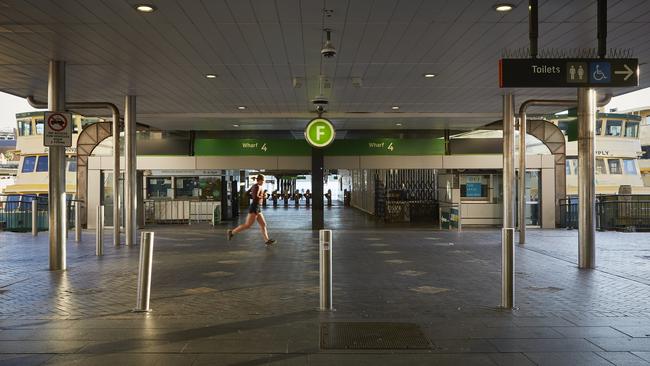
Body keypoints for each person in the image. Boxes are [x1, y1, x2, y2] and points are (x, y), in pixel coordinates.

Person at [227, 174, 275, 245]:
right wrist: (263, 196)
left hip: (257, 207)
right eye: (263, 181)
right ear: (260, 180)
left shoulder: (255, 186)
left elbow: (246, 194)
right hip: (254, 207)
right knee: (247, 225)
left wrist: (258, 196)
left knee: (263, 224)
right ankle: (232, 232)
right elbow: (256, 198)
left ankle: (266, 240)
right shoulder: (257, 187)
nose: (263, 182)